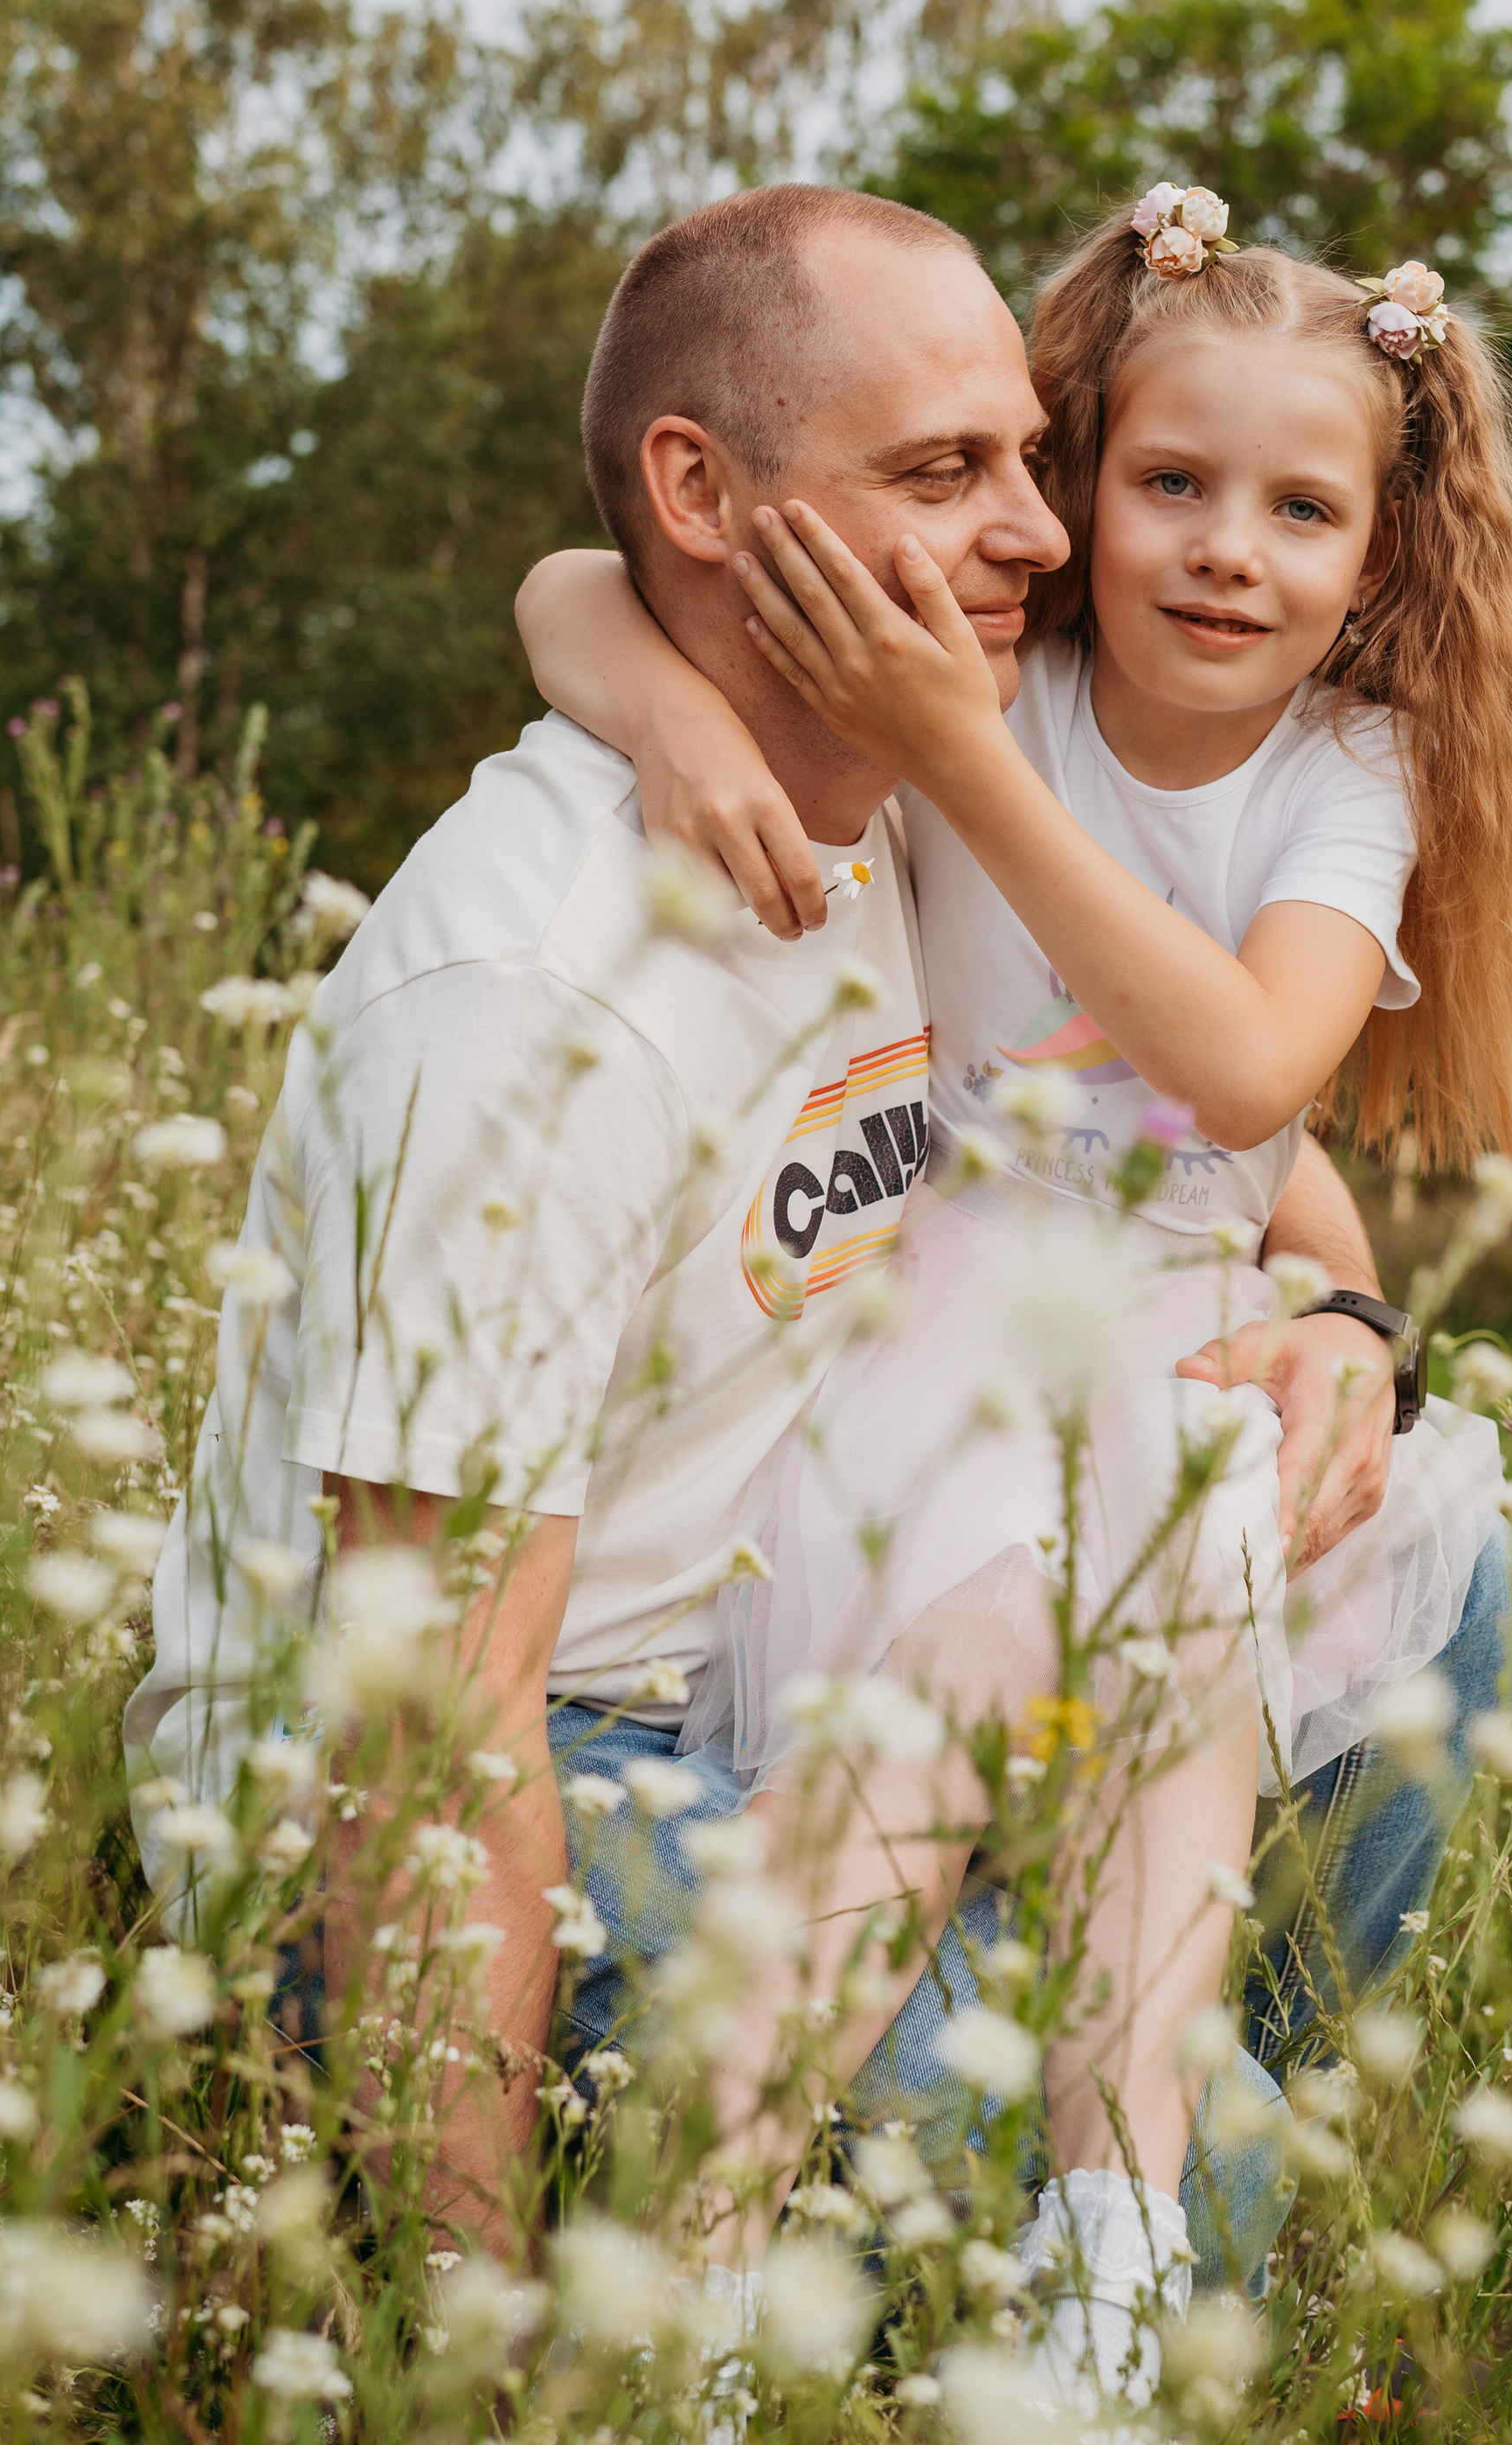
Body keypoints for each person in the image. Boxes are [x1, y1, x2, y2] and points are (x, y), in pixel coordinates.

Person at [123, 184, 1427, 2289]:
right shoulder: (531, 1018)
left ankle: (1125, 2073)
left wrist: (1344, 1311)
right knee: (1239, 2208)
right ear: (703, 493)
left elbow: (1168, 1082)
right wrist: (457, 2390)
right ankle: (998, 2227)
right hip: (535, 1752)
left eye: (1031, 456)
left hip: (799, 1620)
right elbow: (424, 1743)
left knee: (1438, 1582)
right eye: (946, 474)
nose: (1040, 532)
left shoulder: (898, 780)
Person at [517, 183, 1512, 2426]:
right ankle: (704, 2317)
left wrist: (1350, 1312)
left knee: (1341, 1593)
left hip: (1169, 1355)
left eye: (1300, 508)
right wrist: (672, 720)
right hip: (931, 1347)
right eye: (1168, 482)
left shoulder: (1344, 772)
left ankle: (1118, 2255)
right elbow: (572, 576)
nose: (1223, 549)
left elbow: (1234, 1081)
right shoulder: (1003, 671)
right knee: (939, 1722)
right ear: (1084, 478)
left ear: (1377, 558)